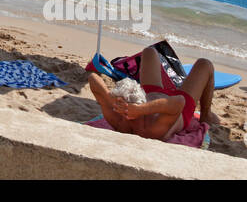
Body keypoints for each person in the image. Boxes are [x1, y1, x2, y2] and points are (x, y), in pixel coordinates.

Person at [86, 48, 218, 140]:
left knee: (149, 52)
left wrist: (112, 100)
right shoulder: (151, 129)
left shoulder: (117, 119)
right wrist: (140, 110)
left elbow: (93, 78)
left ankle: (166, 86)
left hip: (153, 95)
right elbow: (179, 101)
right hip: (179, 112)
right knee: (205, 64)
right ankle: (206, 115)